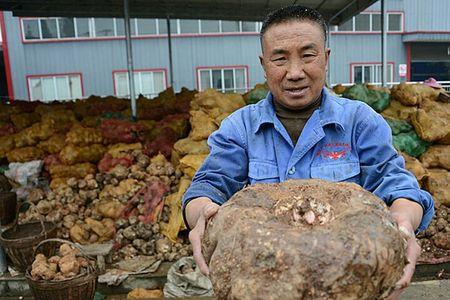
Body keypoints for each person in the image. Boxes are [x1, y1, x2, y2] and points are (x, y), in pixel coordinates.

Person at [182, 5, 434, 299]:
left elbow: (397, 184)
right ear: (264, 64)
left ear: (325, 58)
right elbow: (208, 186)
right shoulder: (239, 127)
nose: (295, 72)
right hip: (265, 284)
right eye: (280, 58)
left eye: (307, 55)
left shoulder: (359, 121)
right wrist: (202, 215)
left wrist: (404, 224)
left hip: (347, 282)